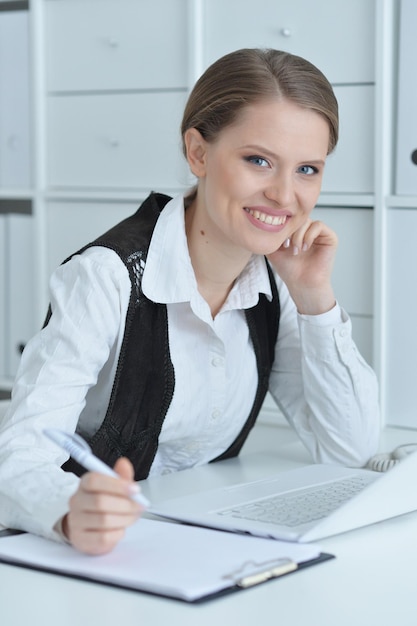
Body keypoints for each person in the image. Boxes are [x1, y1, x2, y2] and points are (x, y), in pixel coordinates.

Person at [0, 48, 380, 555]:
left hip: (196, 539)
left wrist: (315, 298)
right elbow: (18, 455)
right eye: (258, 160)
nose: (285, 196)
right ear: (198, 152)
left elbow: (349, 448)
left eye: (307, 169)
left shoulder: (276, 283)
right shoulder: (107, 277)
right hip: (89, 549)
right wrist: (69, 512)